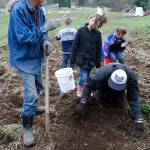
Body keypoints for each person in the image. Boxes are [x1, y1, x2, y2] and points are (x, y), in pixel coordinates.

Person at [8, 0, 60, 146]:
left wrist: (45, 41)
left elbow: (42, 33)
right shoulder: (19, 10)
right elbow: (24, 37)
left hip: (36, 56)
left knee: (38, 87)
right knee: (31, 94)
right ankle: (27, 128)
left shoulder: (39, 9)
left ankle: (33, 108)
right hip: (23, 57)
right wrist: (44, 29)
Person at [78, 63, 144, 132]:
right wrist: (83, 102)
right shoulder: (101, 75)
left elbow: (133, 98)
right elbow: (89, 86)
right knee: (102, 101)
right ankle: (103, 97)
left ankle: (118, 97)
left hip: (120, 92)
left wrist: (139, 119)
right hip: (104, 86)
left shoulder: (132, 78)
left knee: (119, 104)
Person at [70, 14, 107, 98]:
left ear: (98, 25)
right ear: (89, 20)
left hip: (91, 60)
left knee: (88, 76)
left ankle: (86, 89)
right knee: (84, 77)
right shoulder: (81, 30)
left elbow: (99, 49)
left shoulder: (97, 34)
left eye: (96, 22)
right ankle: (80, 89)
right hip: (81, 59)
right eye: (93, 20)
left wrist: (98, 62)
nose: (94, 23)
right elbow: (75, 45)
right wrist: (72, 59)